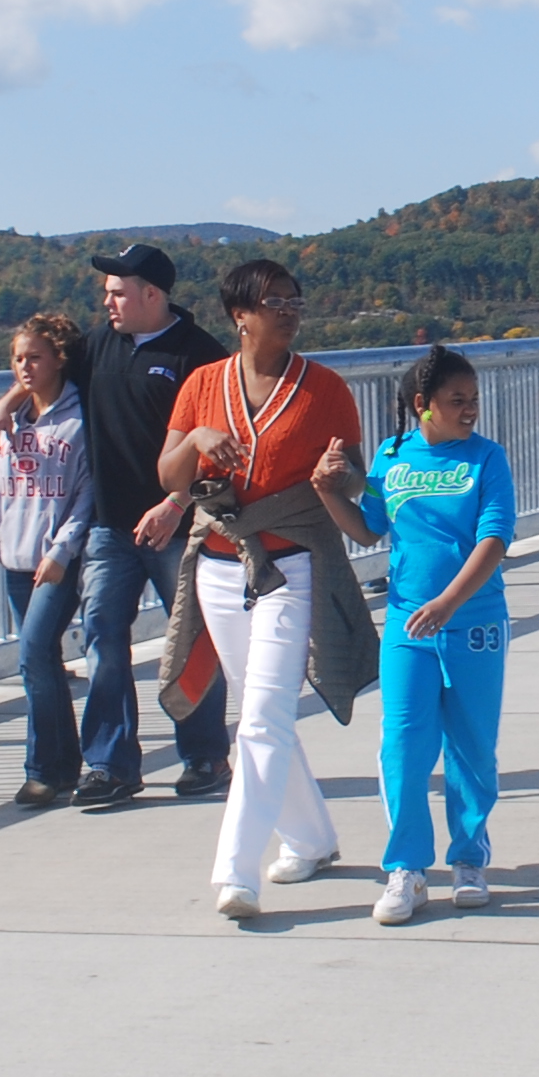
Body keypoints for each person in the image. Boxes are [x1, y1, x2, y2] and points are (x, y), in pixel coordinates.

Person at [151, 259, 373, 920]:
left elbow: (355, 478)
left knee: (262, 716)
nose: (288, 309)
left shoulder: (324, 388)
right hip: (220, 563)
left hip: (291, 561)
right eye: (273, 301)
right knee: (259, 709)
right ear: (239, 315)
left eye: (294, 299)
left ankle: (235, 873)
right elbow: (169, 475)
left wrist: (337, 473)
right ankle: (311, 838)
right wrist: (195, 439)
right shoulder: (201, 384)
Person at [65, 245, 233, 805]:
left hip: (177, 526)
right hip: (111, 526)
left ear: (152, 296)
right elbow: (40, 365)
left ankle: (205, 755)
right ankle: (109, 765)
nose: (107, 301)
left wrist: (177, 501)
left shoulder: (200, 356)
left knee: (190, 640)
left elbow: (219, 445)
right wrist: (8, 401)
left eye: (117, 291)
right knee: (102, 639)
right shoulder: (96, 346)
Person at [356, 347, 517, 924]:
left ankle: (469, 859)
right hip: (406, 624)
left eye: (473, 400)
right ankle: (407, 869)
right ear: (421, 405)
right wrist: (329, 490)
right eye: (457, 401)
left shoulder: (487, 459)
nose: (469, 409)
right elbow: (369, 527)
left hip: (472, 622)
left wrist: (450, 602)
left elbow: (494, 540)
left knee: (472, 746)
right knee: (403, 742)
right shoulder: (391, 455)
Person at [0, 314, 94, 807]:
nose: (25, 367)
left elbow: (86, 496)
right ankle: (64, 766)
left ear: (59, 359)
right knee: (41, 661)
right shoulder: (12, 426)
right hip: (16, 560)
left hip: (56, 562)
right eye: (18, 358)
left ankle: (41, 770)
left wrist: (63, 551)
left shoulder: (79, 421)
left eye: (35, 357)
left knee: (33, 656)